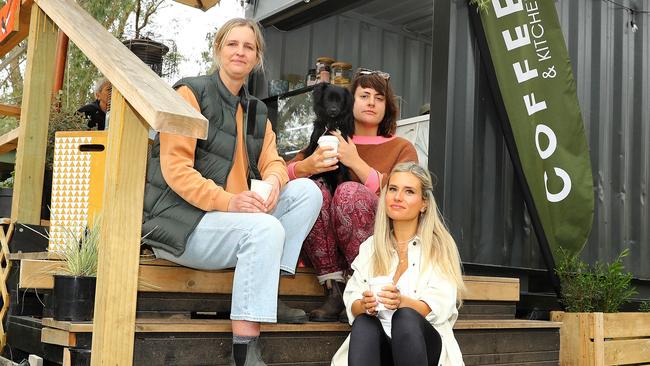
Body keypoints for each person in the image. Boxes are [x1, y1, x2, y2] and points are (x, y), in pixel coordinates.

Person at [141, 18, 322, 366]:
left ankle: (268, 292)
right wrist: (229, 201)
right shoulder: (190, 93)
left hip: (235, 222)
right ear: (218, 49)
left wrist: (272, 184)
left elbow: (274, 162)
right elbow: (176, 170)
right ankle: (245, 349)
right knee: (266, 227)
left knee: (306, 192)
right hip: (186, 223)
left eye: (249, 47)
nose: (240, 52)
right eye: (232, 44)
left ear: (256, 58)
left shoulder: (257, 110)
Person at [287, 69, 418, 322]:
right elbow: (282, 174)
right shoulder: (327, 139)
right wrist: (307, 166)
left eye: (379, 98)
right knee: (313, 189)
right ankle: (335, 291)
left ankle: (361, 287)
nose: (371, 102)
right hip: (325, 253)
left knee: (348, 192)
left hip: (381, 250)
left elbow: (408, 193)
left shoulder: (401, 147)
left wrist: (355, 161)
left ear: (386, 106)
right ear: (350, 102)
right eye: (364, 95)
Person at [333, 162, 465, 366]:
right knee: (364, 322)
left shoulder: (439, 247)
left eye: (409, 191)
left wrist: (400, 301)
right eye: (393, 189)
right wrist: (364, 305)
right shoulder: (371, 247)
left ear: (424, 203)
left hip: (423, 345)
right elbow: (352, 300)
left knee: (405, 318)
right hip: (380, 344)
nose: (397, 197)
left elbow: (442, 304)